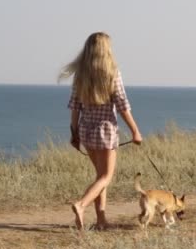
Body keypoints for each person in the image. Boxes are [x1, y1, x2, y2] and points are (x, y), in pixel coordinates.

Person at [59, 32, 142, 231]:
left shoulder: (81, 74)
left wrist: (74, 132)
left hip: (87, 131)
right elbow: (122, 106)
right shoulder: (112, 72)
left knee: (99, 176)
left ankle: (101, 220)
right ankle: (81, 205)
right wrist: (135, 132)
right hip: (106, 131)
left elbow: (75, 106)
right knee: (106, 176)